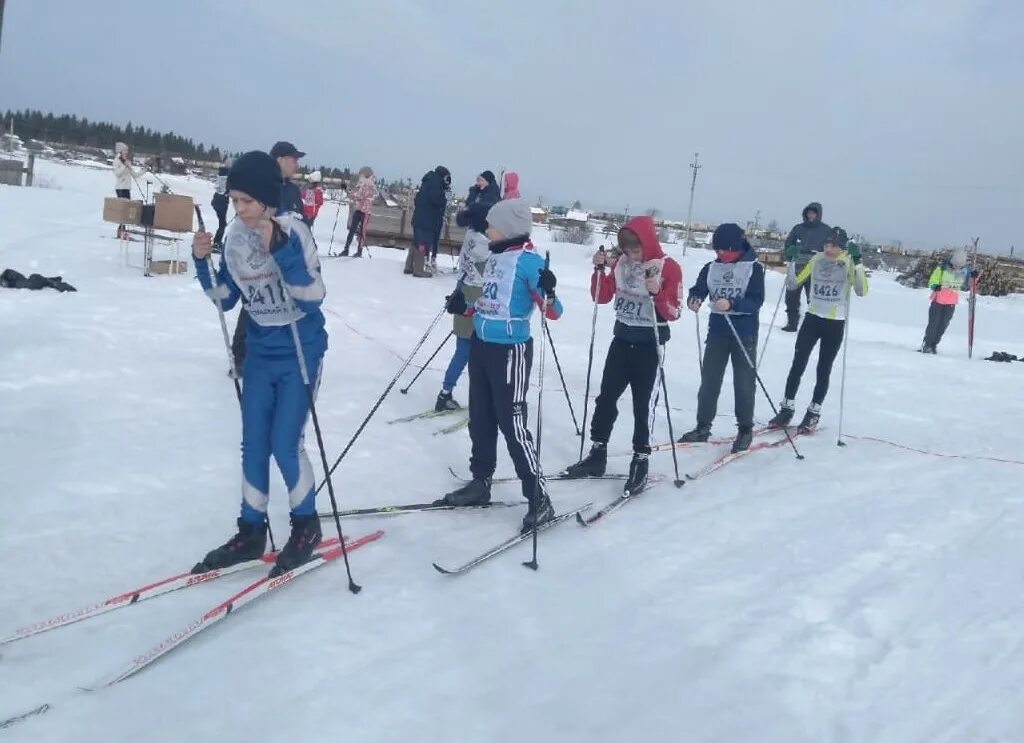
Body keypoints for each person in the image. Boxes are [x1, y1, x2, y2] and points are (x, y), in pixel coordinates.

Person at [189, 150, 328, 578]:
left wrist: (281, 253)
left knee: (285, 443)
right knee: (253, 444)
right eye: (234, 202)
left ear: (267, 199)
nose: (240, 210)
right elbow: (226, 301)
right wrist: (201, 261)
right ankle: (251, 530)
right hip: (262, 353)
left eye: (247, 202)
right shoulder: (233, 238)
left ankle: (306, 525)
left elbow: (313, 295)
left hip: (300, 349)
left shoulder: (295, 232)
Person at [437, 198, 564, 533]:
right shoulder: (495, 257)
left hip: (510, 351)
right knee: (480, 417)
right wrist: (465, 307)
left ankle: (538, 497)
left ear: (506, 228)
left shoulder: (529, 262)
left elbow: (554, 312)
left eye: (491, 225)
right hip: (481, 345)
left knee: (512, 423)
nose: (486, 230)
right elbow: (490, 302)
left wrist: (548, 292)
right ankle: (481, 481)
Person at [563, 216, 683, 494]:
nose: (631, 255)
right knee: (605, 398)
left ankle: (640, 459)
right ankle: (598, 452)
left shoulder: (668, 267)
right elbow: (600, 296)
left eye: (636, 250)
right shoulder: (621, 263)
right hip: (621, 340)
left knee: (643, 406)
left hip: (648, 347)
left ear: (647, 243)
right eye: (627, 250)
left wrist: (658, 294)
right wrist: (599, 270)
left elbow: (675, 312)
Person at [768, 227, 868, 432]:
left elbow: (861, 290)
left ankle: (813, 412)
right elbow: (794, 284)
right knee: (798, 363)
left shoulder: (848, 261)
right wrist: (792, 261)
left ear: (842, 247)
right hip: (812, 318)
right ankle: (786, 408)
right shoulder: (817, 260)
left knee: (824, 368)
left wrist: (858, 264)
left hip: (834, 322)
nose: (829, 249)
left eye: (833, 246)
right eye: (826, 245)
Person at [677, 223, 766, 453]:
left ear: (736, 247)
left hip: (743, 333)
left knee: (744, 383)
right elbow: (698, 289)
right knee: (709, 382)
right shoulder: (711, 268)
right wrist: (694, 299)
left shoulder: (752, 269)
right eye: (717, 251)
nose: (720, 255)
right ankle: (703, 426)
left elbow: (756, 301)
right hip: (717, 331)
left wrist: (733, 303)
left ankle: (745, 428)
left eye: (724, 251)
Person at [232, 141, 307, 374]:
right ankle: (241, 357)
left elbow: (300, 221)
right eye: (293, 159)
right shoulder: (260, 186)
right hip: (258, 260)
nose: (297, 164)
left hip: (287, 258)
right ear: (280, 159)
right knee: (254, 306)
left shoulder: (293, 190)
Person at [434, 171, 502, 411]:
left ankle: (446, 392)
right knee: (479, 353)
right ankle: (480, 399)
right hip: (475, 300)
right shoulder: (487, 246)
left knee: (464, 351)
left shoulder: (471, 237)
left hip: (461, 292)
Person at [782, 202, 830, 331]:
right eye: (809, 212)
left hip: (816, 265)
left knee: (813, 297)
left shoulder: (826, 230)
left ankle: (813, 326)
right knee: (792, 294)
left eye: (813, 213)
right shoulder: (798, 228)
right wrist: (789, 253)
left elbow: (830, 249)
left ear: (818, 214)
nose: (811, 215)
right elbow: (789, 244)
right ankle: (792, 322)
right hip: (798, 263)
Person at [920, 248, 978, 354]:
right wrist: (935, 285)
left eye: (959, 265)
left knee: (943, 326)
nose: (957, 266)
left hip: (951, 303)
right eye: (955, 264)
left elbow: (970, 285)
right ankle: (927, 344)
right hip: (938, 300)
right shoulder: (942, 268)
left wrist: (974, 277)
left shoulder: (965, 272)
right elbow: (932, 280)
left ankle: (934, 345)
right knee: (934, 324)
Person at [405, 166, 450, 278]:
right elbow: (437, 200)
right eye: (446, 177)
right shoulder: (436, 184)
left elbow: (417, 199)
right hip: (428, 219)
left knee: (416, 241)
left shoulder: (427, 182)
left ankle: (409, 266)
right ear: (443, 175)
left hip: (419, 217)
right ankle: (418, 269)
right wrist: (444, 199)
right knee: (423, 243)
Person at [340, 166, 376, 257]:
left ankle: (359, 251)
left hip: (365, 212)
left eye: (362, 174)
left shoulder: (370, 185)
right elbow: (356, 195)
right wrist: (347, 190)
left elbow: (359, 196)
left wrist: (347, 190)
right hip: (359, 209)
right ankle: (346, 249)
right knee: (352, 229)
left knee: (361, 231)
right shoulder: (362, 185)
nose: (360, 176)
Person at [112, 142, 137, 238]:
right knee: (123, 211)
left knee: (126, 211)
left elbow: (134, 175)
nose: (127, 152)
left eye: (127, 150)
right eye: (125, 150)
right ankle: (121, 232)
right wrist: (124, 166)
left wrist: (145, 170)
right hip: (120, 188)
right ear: (121, 151)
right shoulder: (117, 160)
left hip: (127, 188)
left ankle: (122, 231)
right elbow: (117, 174)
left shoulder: (127, 161)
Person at [211, 158, 233, 251]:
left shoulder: (221, 175)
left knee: (222, 223)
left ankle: (217, 242)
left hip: (216, 199)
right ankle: (216, 243)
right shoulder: (227, 178)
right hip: (222, 201)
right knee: (222, 224)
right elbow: (230, 190)